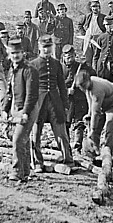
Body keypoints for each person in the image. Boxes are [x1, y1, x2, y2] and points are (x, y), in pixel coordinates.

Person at [74, 69, 113, 192]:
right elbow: (90, 103)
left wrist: (91, 130)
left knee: (109, 127)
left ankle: (107, 154)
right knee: (94, 128)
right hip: (101, 104)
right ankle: (94, 153)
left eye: (83, 86)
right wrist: (88, 114)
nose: (82, 89)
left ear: (88, 81)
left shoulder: (97, 89)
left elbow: (96, 112)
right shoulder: (87, 87)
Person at [31, 35, 73, 172]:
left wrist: (65, 105)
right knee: (36, 133)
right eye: (44, 47)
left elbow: (62, 86)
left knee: (61, 132)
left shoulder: (57, 64)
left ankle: (68, 160)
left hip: (55, 101)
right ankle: (37, 163)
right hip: (38, 101)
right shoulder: (33, 64)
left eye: (49, 47)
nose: (47, 50)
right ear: (39, 48)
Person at [1, 38, 39, 182]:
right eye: (13, 53)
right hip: (16, 108)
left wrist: (26, 113)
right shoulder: (12, 70)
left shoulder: (29, 70)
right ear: (9, 54)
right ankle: (26, 172)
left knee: (17, 140)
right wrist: (5, 109)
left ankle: (16, 171)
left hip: (28, 108)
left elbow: (31, 95)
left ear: (23, 53)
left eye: (18, 53)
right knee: (22, 140)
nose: (15, 56)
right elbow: (9, 92)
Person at [62, 44, 97, 152]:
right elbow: (55, 85)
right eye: (67, 57)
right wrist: (66, 90)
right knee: (65, 123)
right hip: (66, 100)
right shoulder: (59, 69)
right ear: (63, 57)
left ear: (75, 56)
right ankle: (66, 147)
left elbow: (93, 76)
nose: (69, 59)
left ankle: (77, 145)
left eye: (71, 57)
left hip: (80, 99)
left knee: (79, 122)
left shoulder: (81, 67)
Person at [77, 0, 106, 67]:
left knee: (97, 57)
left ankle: (96, 73)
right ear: (91, 8)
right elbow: (79, 25)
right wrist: (84, 34)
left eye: (97, 7)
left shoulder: (103, 17)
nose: (95, 8)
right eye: (93, 7)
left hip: (98, 38)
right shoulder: (87, 16)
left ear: (99, 8)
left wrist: (103, 36)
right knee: (88, 57)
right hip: (88, 38)